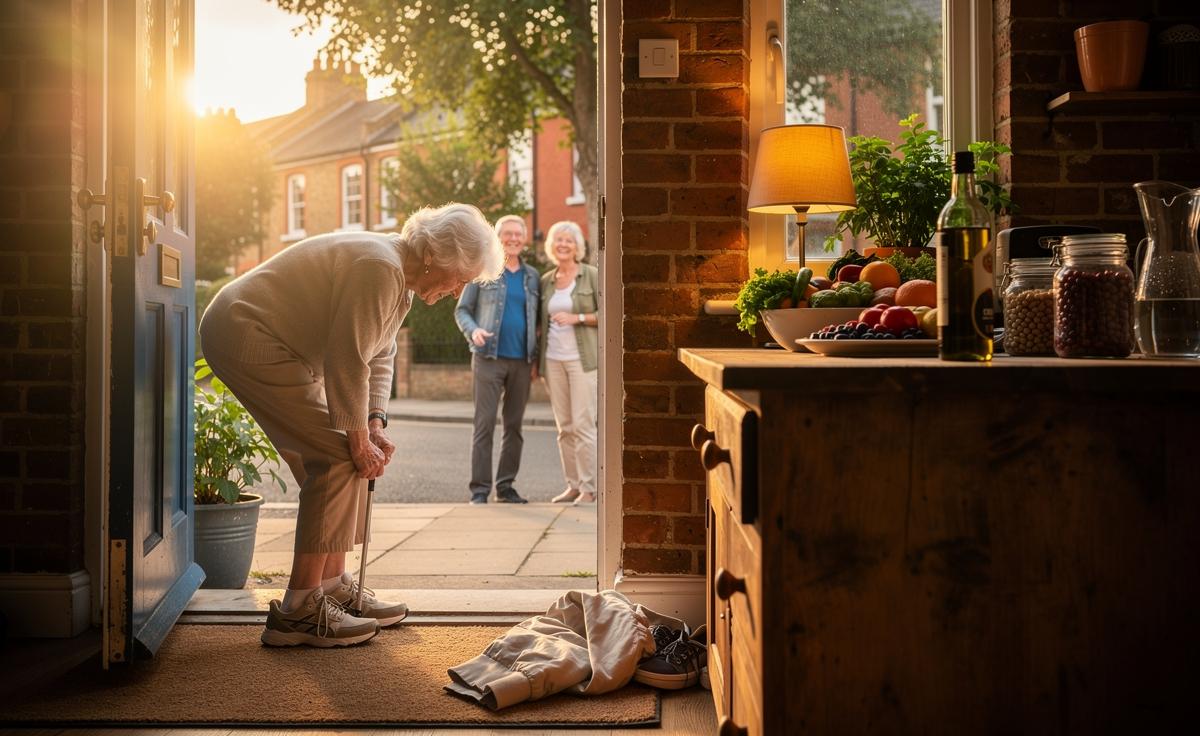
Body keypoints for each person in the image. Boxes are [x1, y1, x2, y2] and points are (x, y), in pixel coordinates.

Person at [199, 203, 503, 647]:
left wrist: (374, 423)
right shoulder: (378, 268)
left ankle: (332, 585)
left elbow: (380, 353)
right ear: (435, 256)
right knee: (339, 455)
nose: (459, 291)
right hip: (246, 334)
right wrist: (358, 439)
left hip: (266, 338)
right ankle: (298, 610)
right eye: (461, 277)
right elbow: (347, 359)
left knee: (346, 453)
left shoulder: (399, 278)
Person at [454, 215, 541, 505]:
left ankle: (505, 487)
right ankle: (479, 490)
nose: (513, 238)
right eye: (507, 234)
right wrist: (474, 330)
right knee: (485, 425)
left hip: (521, 361)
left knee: (514, 426)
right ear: (497, 236)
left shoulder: (532, 277)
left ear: (524, 238)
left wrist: (536, 359)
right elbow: (462, 310)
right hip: (488, 359)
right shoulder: (484, 270)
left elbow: (538, 322)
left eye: (518, 234)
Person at [538, 220, 600, 505]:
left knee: (583, 424)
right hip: (553, 360)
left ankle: (590, 488)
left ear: (578, 246)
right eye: (558, 240)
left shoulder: (591, 276)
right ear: (552, 246)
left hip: (582, 360)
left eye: (569, 240)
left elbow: (609, 313)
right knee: (564, 426)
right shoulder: (546, 280)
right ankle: (573, 485)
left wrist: (579, 318)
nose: (563, 244)